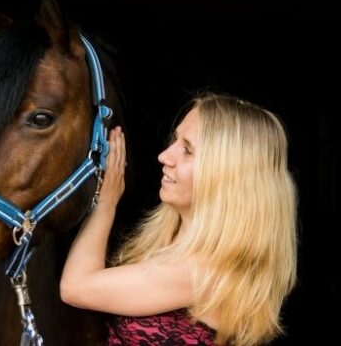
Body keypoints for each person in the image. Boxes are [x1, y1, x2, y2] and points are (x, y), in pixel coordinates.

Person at [60, 91, 298, 346]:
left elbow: (76, 287)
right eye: (175, 141)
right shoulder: (175, 248)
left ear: (227, 175)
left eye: (187, 149)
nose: (164, 156)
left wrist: (106, 202)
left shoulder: (202, 272)